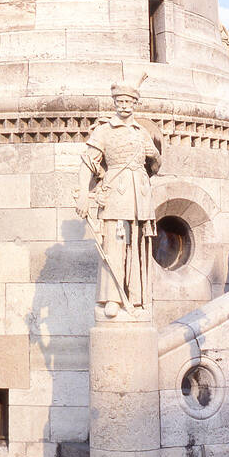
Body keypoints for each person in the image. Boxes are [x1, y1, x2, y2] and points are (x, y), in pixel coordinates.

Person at [76, 84, 162, 318]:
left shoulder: (141, 132)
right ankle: (112, 297)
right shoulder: (104, 130)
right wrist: (84, 193)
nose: (124, 106)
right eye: (120, 102)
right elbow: (88, 162)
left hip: (140, 194)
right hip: (116, 190)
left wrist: (154, 155)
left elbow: (155, 166)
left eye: (129, 102)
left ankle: (135, 296)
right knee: (114, 244)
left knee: (136, 243)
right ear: (114, 103)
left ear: (135, 104)